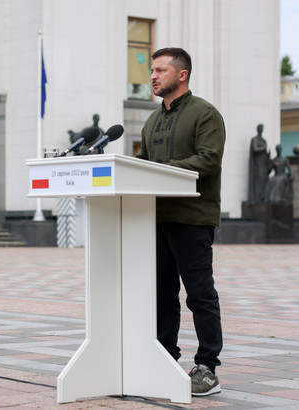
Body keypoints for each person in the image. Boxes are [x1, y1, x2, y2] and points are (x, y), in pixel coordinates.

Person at [136, 47, 225, 396]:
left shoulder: (205, 114)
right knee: (161, 295)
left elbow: (209, 159)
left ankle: (207, 367)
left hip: (192, 218)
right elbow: (142, 169)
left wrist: (162, 171)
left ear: (181, 74)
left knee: (199, 294)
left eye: (159, 70)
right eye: (152, 71)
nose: (153, 76)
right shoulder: (151, 121)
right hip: (154, 218)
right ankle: (164, 357)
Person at [248, 124, 269, 204]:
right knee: (258, 180)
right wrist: (264, 147)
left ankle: (263, 197)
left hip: (263, 162)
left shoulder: (263, 140)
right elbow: (255, 149)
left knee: (263, 180)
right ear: (258, 129)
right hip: (257, 163)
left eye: (262, 128)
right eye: (260, 128)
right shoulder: (255, 139)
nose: (261, 129)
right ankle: (257, 198)